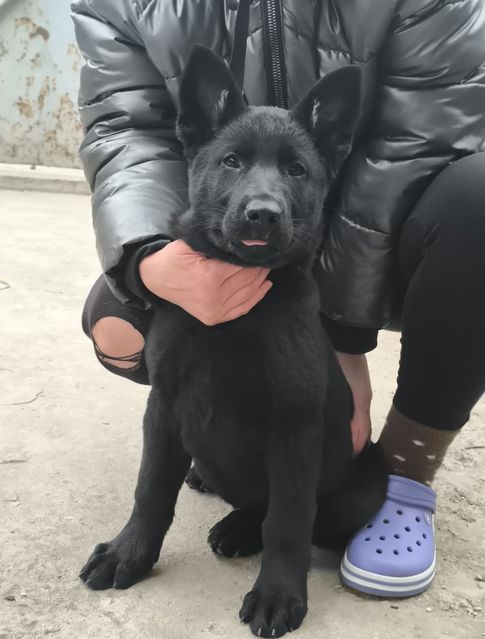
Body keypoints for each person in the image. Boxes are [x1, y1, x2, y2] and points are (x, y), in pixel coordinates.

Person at [71, 0, 485, 598]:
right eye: (234, 161)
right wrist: (147, 261)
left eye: (289, 169)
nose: (261, 196)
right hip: (203, 233)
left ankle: (404, 482)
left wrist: (343, 332)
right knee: (130, 338)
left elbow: (423, 142)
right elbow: (123, 129)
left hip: (374, 229)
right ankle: (225, 478)